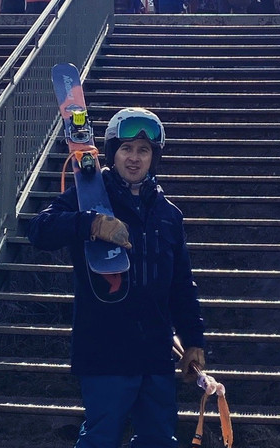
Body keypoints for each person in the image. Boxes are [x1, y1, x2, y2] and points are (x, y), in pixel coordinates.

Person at [27, 108, 206, 448]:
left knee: (158, 439)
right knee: (100, 439)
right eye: (126, 149)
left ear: (154, 157)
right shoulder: (89, 196)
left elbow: (182, 284)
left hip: (155, 351)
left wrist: (194, 340)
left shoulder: (168, 216)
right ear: (113, 153)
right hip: (105, 349)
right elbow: (39, 230)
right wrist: (88, 223)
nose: (134, 158)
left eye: (143, 150)